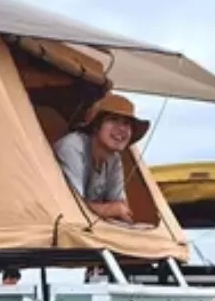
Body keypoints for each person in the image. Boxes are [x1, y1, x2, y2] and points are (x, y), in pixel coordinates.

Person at [53, 93, 149, 223]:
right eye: (113, 119)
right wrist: (109, 210)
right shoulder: (72, 147)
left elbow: (121, 206)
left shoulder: (114, 159)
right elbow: (71, 205)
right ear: (97, 126)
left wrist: (118, 211)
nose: (121, 129)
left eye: (127, 123)